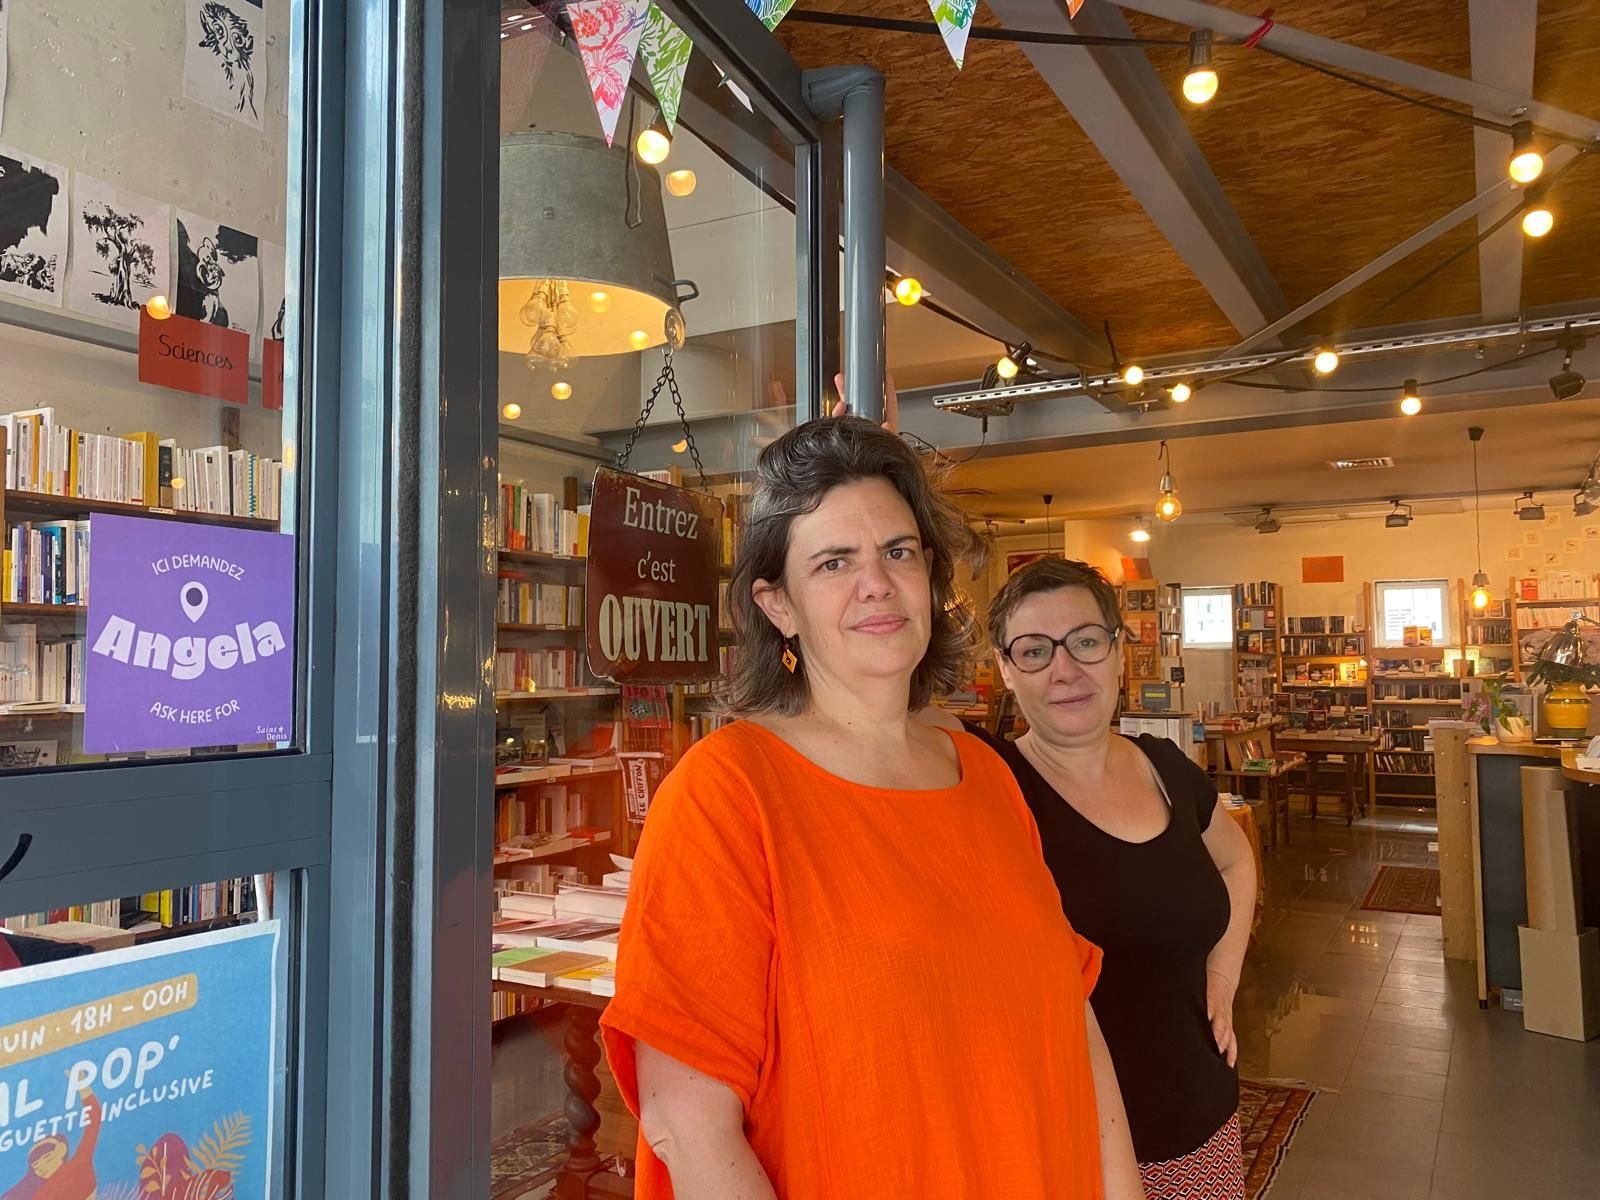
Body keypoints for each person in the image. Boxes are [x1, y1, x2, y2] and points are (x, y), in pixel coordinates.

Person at [600, 417, 1144, 1200]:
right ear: (778, 604)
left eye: (898, 552)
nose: (878, 584)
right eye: (833, 562)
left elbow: (1072, 1020)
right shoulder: (728, 791)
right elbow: (689, 1123)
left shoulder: (986, 779)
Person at [961, 558, 1256, 1199]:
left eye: (1086, 642)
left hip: (1201, 1117)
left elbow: (1236, 863)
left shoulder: (1165, 766)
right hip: (1068, 1146)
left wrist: (1223, 978)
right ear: (1007, 670)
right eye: (1035, 651)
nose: (1065, 670)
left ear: (1119, 651)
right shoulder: (990, 791)